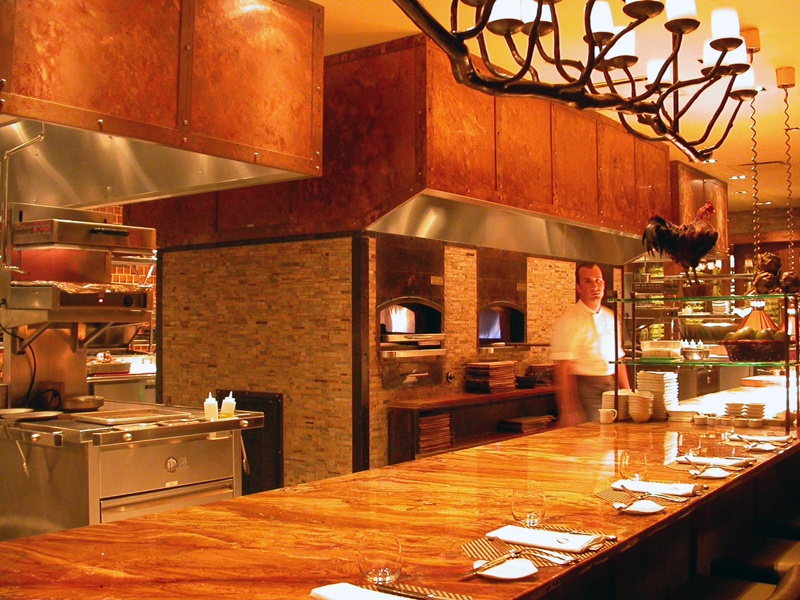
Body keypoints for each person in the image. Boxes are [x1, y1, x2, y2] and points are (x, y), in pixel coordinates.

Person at [550, 262, 630, 425]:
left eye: (598, 280)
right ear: (578, 288)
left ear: (603, 284)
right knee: (592, 435)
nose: (595, 286)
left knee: (617, 433)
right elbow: (563, 368)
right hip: (585, 389)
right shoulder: (569, 320)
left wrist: (628, 393)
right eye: (588, 281)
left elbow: (619, 359)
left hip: (611, 387)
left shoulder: (611, 317)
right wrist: (569, 410)